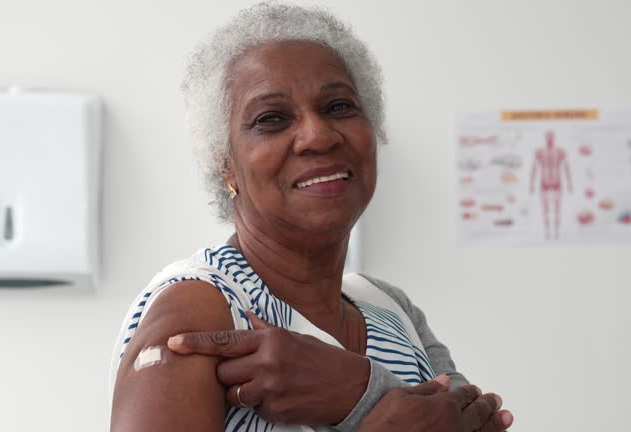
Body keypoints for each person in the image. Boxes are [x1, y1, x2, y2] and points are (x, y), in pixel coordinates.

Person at [109, 3, 514, 431]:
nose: (318, 135)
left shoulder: (390, 307)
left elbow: (477, 418)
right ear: (224, 163)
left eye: (339, 106)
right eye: (271, 119)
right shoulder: (202, 308)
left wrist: (357, 387)